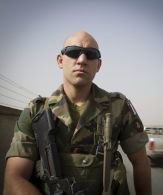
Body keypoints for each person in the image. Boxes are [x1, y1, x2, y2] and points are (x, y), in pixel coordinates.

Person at [3, 31, 151, 195]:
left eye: (90, 54)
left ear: (98, 65)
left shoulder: (118, 107)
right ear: (60, 60)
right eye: (73, 52)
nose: (82, 60)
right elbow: (14, 179)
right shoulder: (36, 111)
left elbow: (140, 162)